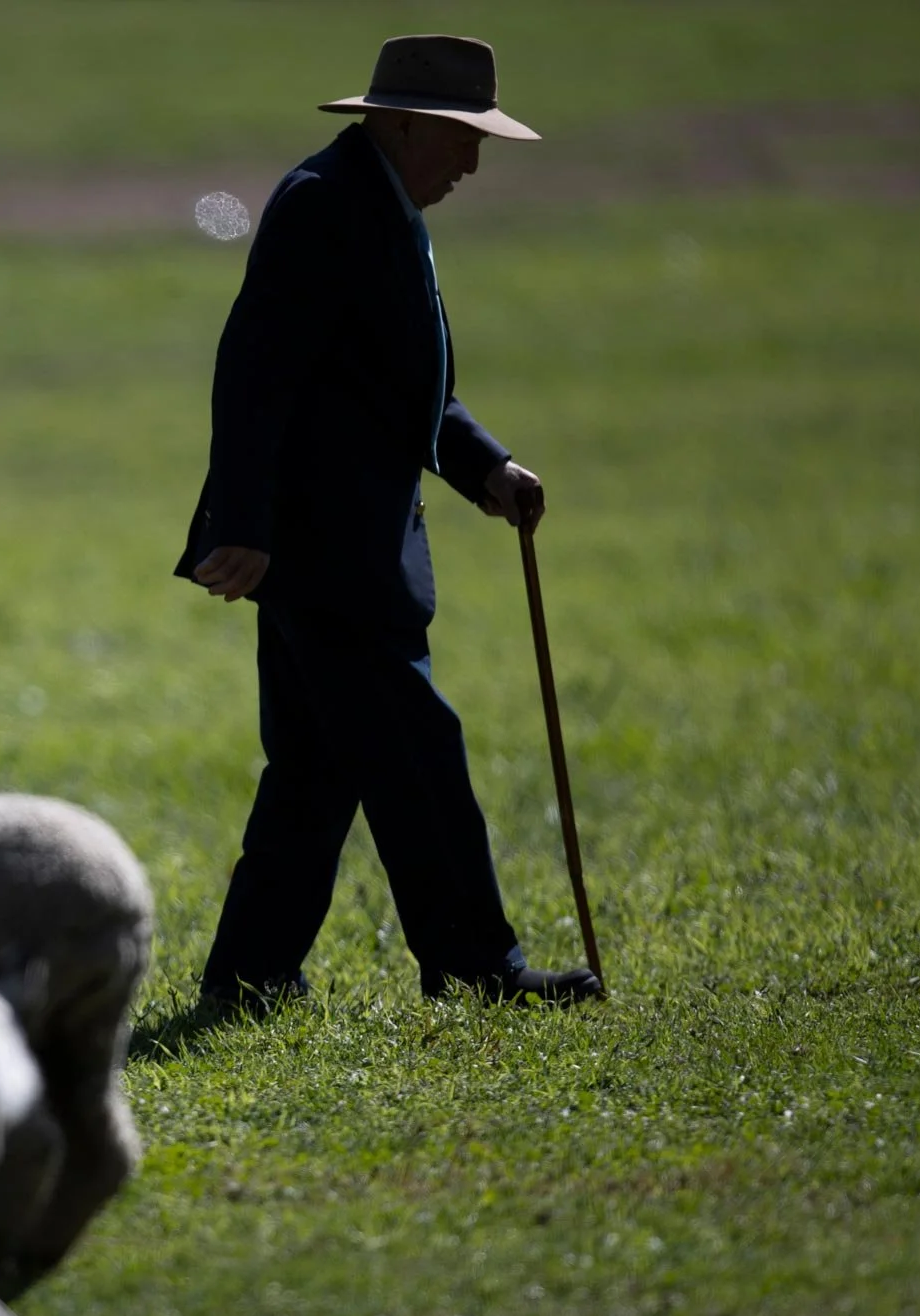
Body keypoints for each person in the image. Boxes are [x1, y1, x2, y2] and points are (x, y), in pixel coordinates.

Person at [174, 34, 602, 1009]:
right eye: (462, 138)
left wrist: (484, 465)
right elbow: (254, 371)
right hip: (326, 553)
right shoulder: (325, 204)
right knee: (417, 755)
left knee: (315, 769)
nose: (472, 163)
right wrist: (242, 521)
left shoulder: (379, 204)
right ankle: (477, 968)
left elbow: (392, 384)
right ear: (403, 124)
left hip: (335, 549)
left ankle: (248, 977)